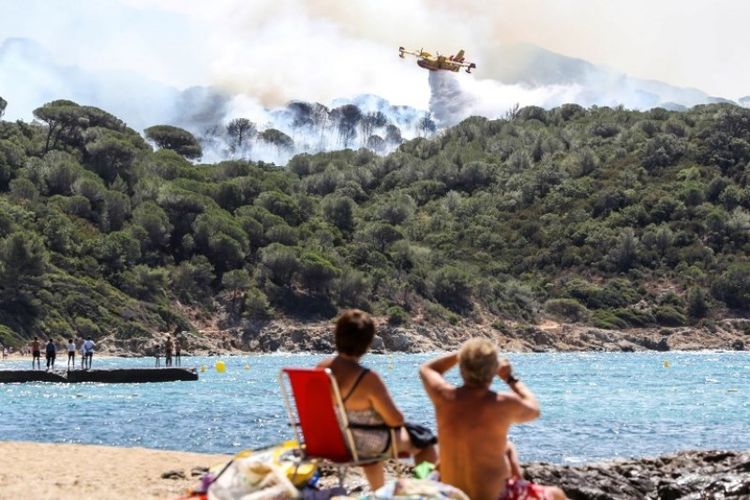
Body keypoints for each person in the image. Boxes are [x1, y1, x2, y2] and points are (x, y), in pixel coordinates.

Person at [420, 338, 566, 500]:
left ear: (461, 367)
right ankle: (520, 483)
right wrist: (510, 378)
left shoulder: (444, 396)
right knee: (556, 494)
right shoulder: (502, 403)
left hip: (452, 496)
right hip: (494, 497)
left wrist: (465, 353)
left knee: (507, 446)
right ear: (494, 370)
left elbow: (428, 369)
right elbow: (534, 409)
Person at [317, 309, 437, 491]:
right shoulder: (367, 378)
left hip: (336, 440)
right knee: (424, 441)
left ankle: (378, 492)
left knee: (368, 439)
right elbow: (395, 419)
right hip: (366, 443)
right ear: (367, 343)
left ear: (337, 335)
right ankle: (424, 489)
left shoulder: (321, 369)